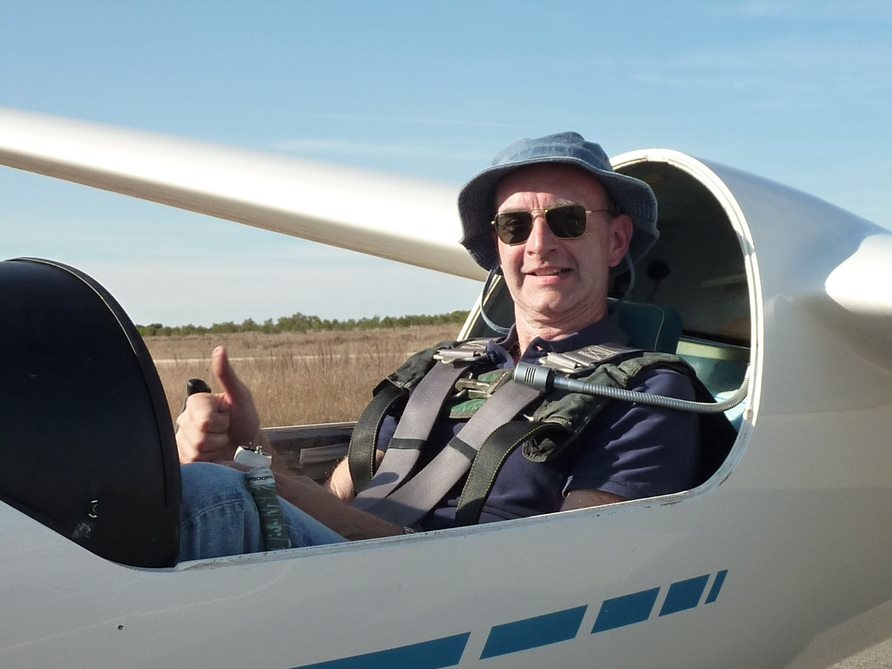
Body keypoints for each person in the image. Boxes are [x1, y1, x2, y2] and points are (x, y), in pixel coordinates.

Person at [175, 132, 700, 561]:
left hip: (447, 608)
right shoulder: (439, 368)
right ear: (498, 247)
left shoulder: (650, 395)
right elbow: (333, 501)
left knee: (207, 498)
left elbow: (566, 572)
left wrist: (247, 482)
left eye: (568, 221)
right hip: (333, 578)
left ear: (615, 241)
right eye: (515, 226)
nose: (540, 244)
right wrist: (248, 450)